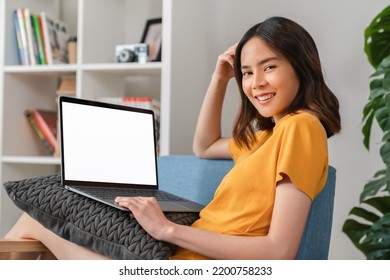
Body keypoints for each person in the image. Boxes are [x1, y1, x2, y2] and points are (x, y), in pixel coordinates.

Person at [5, 16, 340, 260]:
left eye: (269, 67)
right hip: (170, 254)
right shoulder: (268, 137)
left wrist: (167, 229)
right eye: (247, 73)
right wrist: (219, 79)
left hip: (181, 261)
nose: (255, 83)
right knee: (41, 232)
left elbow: (278, 252)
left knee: (34, 223)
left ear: (300, 66)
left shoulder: (302, 127)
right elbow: (205, 146)